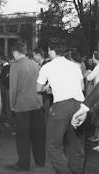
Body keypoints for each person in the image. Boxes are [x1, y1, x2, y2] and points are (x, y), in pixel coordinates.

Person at [36, 37, 85, 174]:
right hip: (79, 105)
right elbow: (81, 87)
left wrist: (48, 87)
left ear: (50, 51)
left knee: (53, 144)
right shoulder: (75, 66)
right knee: (77, 145)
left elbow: (38, 88)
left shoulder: (47, 66)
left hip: (62, 106)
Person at [7, 43, 45, 171]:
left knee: (23, 137)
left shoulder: (15, 67)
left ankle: (24, 164)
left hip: (23, 106)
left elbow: (13, 89)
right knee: (38, 136)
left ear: (16, 53)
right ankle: (40, 161)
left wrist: (12, 104)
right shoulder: (36, 65)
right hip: (37, 104)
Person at [33, 48, 53, 126]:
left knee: (46, 115)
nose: (33, 57)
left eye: (34, 55)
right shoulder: (41, 65)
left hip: (46, 94)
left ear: (39, 55)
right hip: (43, 94)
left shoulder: (45, 65)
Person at [0, 56, 12, 127]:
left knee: (7, 104)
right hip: (7, 88)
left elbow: (3, 79)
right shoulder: (9, 68)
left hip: (7, 88)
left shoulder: (5, 68)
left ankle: (9, 121)